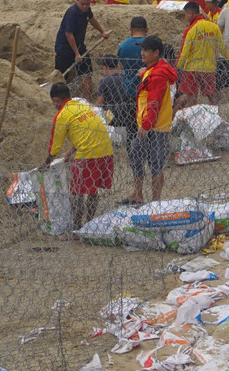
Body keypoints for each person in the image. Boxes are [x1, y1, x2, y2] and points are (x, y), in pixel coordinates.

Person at [46, 82, 115, 230]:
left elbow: (54, 147)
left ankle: (76, 229)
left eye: (53, 103)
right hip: (106, 151)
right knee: (92, 190)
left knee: (76, 193)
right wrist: (70, 153)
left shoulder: (62, 115)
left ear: (56, 100)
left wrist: (45, 164)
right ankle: (89, 225)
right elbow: (85, 133)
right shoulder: (82, 106)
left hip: (88, 155)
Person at [129, 35, 177, 203]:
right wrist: (144, 73)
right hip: (152, 124)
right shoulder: (156, 69)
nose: (142, 53)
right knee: (137, 155)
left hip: (153, 126)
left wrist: (146, 125)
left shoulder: (158, 75)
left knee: (154, 163)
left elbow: (154, 103)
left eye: (145, 51)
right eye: (142, 50)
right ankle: (139, 194)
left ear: (156, 52)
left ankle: (155, 200)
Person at [55, 0, 110, 101]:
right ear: (77, 1)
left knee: (87, 72)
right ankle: (59, 100)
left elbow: (91, 19)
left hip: (79, 45)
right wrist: (76, 53)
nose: (85, 6)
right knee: (61, 76)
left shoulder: (87, 10)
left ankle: (86, 99)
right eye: (82, 4)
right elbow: (69, 34)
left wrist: (102, 32)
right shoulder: (72, 13)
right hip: (64, 48)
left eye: (87, 4)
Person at [176, 0, 228, 109]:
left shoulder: (190, 30)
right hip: (208, 68)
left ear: (190, 14)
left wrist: (177, 66)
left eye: (185, 14)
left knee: (191, 99)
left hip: (191, 69)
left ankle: (190, 121)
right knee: (212, 97)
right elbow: (222, 47)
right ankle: (215, 117)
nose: (186, 17)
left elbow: (183, 52)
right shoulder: (213, 26)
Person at [96, 55, 138, 140]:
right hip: (129, 115)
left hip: (111, 117)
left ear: (104, 68)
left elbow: (100, 103)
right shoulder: (127, 78)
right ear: (117, 65)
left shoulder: (103, 81)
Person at [117, 15, 149, 83]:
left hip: (128, 86)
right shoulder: (151, 45)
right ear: (147, 29)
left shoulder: (122, 46)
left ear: (131, 30)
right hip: (147, 85)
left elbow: (120, 66)